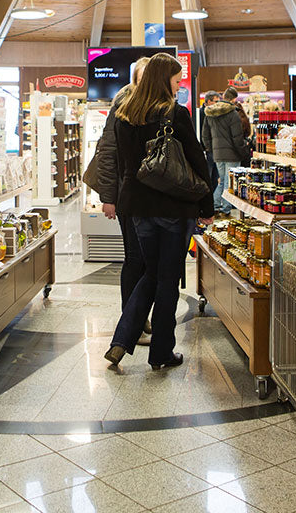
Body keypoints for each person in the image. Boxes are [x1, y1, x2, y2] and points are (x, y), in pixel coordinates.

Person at [104, 54, 213, 370]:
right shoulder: (176, 115)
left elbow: (126, 168)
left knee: (151, 274)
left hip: (139, 210)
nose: (179, 87)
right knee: (167, 281)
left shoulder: (125, 116)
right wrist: (206, 206)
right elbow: (196, 160)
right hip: (174, 208)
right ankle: (162, 353)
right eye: (177, 81)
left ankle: (122, 340)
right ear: (163, 80)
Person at [93, 57, 153, 345]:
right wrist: (108, 197)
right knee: (135, 260)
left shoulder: (150, 106)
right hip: (127, 196)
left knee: (145, 261)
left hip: (146, 196)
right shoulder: (123, 106)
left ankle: (139, 315)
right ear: (135, 79)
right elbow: (107, 151)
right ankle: (132, 324)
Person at [202, 89, 247, 215]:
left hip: (217, 154)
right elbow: (237, 138)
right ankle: (226, 209)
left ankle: (215, 205)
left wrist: (211, 149)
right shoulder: (233, 114)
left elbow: (205, 135)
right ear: (233, 100)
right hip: (232, 154)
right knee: (230, 183)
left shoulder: (210, 113)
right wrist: (243, 152)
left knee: (222, 181)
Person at [199, 91, 222, 192]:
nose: (217, 104)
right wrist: (207, 146)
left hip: (216, 149)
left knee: (215, 176)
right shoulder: (200, 114)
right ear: (208, 101)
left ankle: (212, 199)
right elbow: (202, 132)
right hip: (207, 150)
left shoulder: (216, 114)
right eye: (215, 101)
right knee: (207, 175)